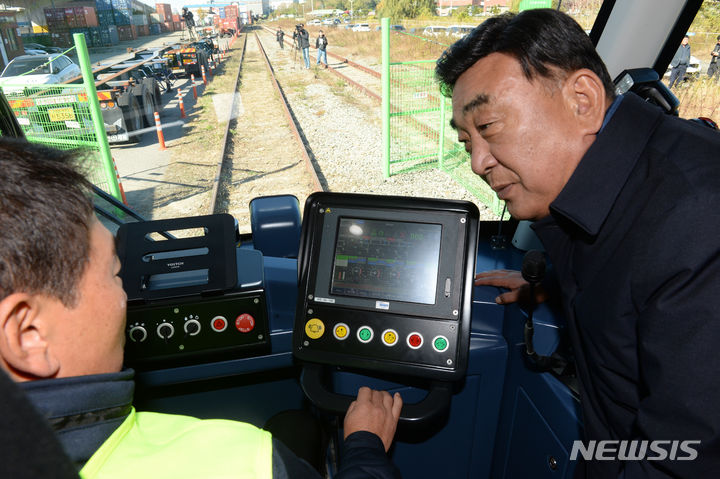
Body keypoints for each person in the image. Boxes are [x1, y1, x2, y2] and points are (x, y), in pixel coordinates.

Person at [0, 138, 403, 479]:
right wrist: (365, 447)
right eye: (113, 273)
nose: (125, 296)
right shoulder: (246, 462)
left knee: (294, 425)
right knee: (293, 426)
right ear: (27, 334)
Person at [436, 9, 720, 478]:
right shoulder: (596, 190)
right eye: (467, 142)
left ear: (582, 99)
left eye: (486, 127)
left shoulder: (699, 225)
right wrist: (556, 279)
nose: (477, 162)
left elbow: (683, 461)